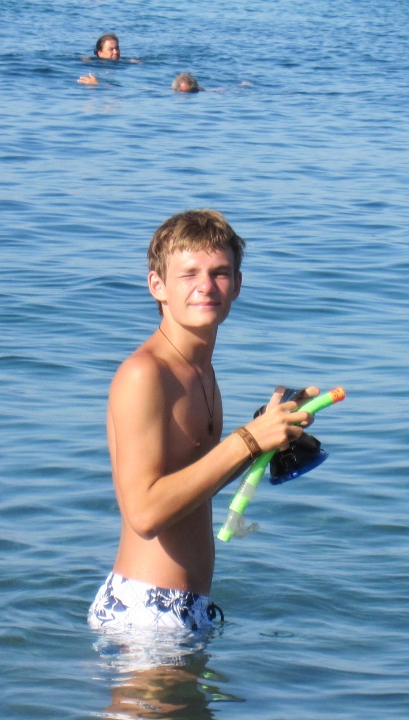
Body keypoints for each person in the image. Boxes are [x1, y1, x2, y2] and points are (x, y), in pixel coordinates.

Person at [87, 209, 318, 636]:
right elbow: (144, 513)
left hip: (188, 608)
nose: (206, 286)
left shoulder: (200, 371)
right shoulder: (145, 374)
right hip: (147, 609)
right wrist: (247, 440)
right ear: (157, 286)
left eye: (220, 273)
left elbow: (192, 486)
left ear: (238, 285)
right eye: (189, 274)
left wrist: (269, 435)